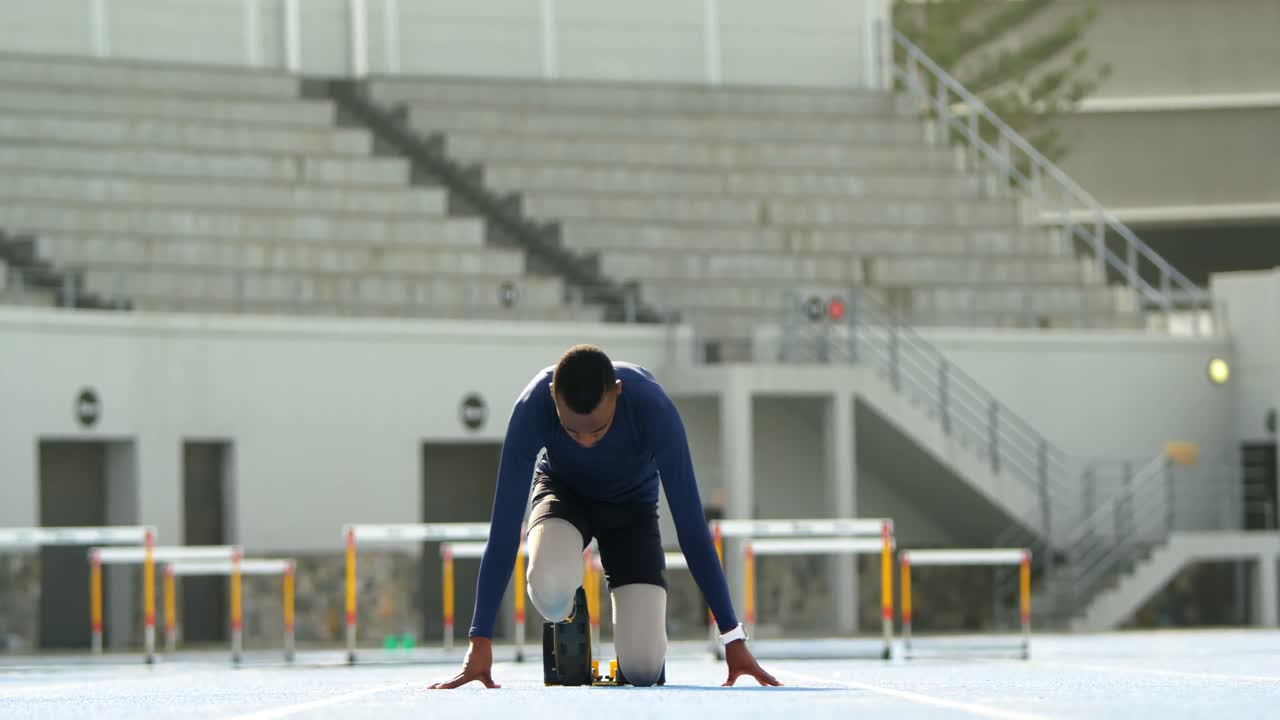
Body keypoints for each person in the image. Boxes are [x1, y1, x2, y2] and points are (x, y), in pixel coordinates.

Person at [430, 344, 780, 689]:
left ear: (617, 392)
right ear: (553, 396)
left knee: (643, 669)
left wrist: (732, 637)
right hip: (563, 496)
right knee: (549, 589)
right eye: (572, 431)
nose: (585, 442)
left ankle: (634, 646)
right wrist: (479, 640)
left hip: (632, 511)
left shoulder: (653, 407)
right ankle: (568, 612)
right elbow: (504, 530)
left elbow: (692, 529)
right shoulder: (533, 405)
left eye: (598, 430)